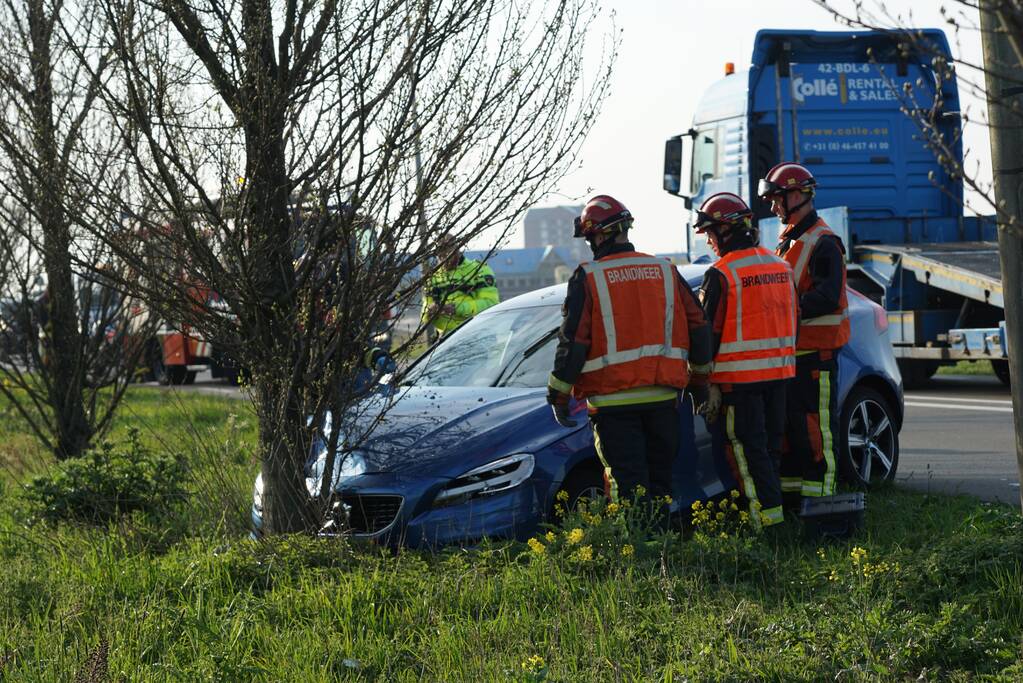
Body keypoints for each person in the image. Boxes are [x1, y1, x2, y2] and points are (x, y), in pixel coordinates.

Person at [546, 195, 711, 513]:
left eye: (590, 237)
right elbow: (699, 325)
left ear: (599, 234)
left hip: (614, 405)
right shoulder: (664, 270)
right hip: (664, 400)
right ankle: (663, 553)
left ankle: (641, 558)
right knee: (660, 484)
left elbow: (574, 341)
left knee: (628, 490)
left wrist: (559, 394)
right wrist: (700, 381)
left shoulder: (590, 277)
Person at [694, 192, 798, 529]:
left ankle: (766, 528)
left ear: (725, 231)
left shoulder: (721, 274)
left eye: (710, 233)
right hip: (781, 378)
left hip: (740, 385)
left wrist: (702, 382)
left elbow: (706, 335)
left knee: (748, 455)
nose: (709, 241)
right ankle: (777, 519)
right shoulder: (781, 266)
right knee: (769, 452)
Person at [758, 162, 850, 503]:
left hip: (817, 355)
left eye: (777, 198)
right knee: (793, 432)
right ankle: (798, 504)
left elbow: (828, 297)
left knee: (816, 431)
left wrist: (785, 310)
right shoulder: (788, 242)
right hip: (793, 358)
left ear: (798, 194)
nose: (773, 206)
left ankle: (826, 504)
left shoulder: (823, 242)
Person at [421, 234, 500, 336]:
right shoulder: (432, 278)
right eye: (440, 254)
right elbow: (424, 312)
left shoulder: (479, 270)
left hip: (479, 334)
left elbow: (491, 304)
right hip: (446, 339)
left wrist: (457, 308)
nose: (444, 258)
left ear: (457, 249)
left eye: (448, 253)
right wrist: (429, 311)